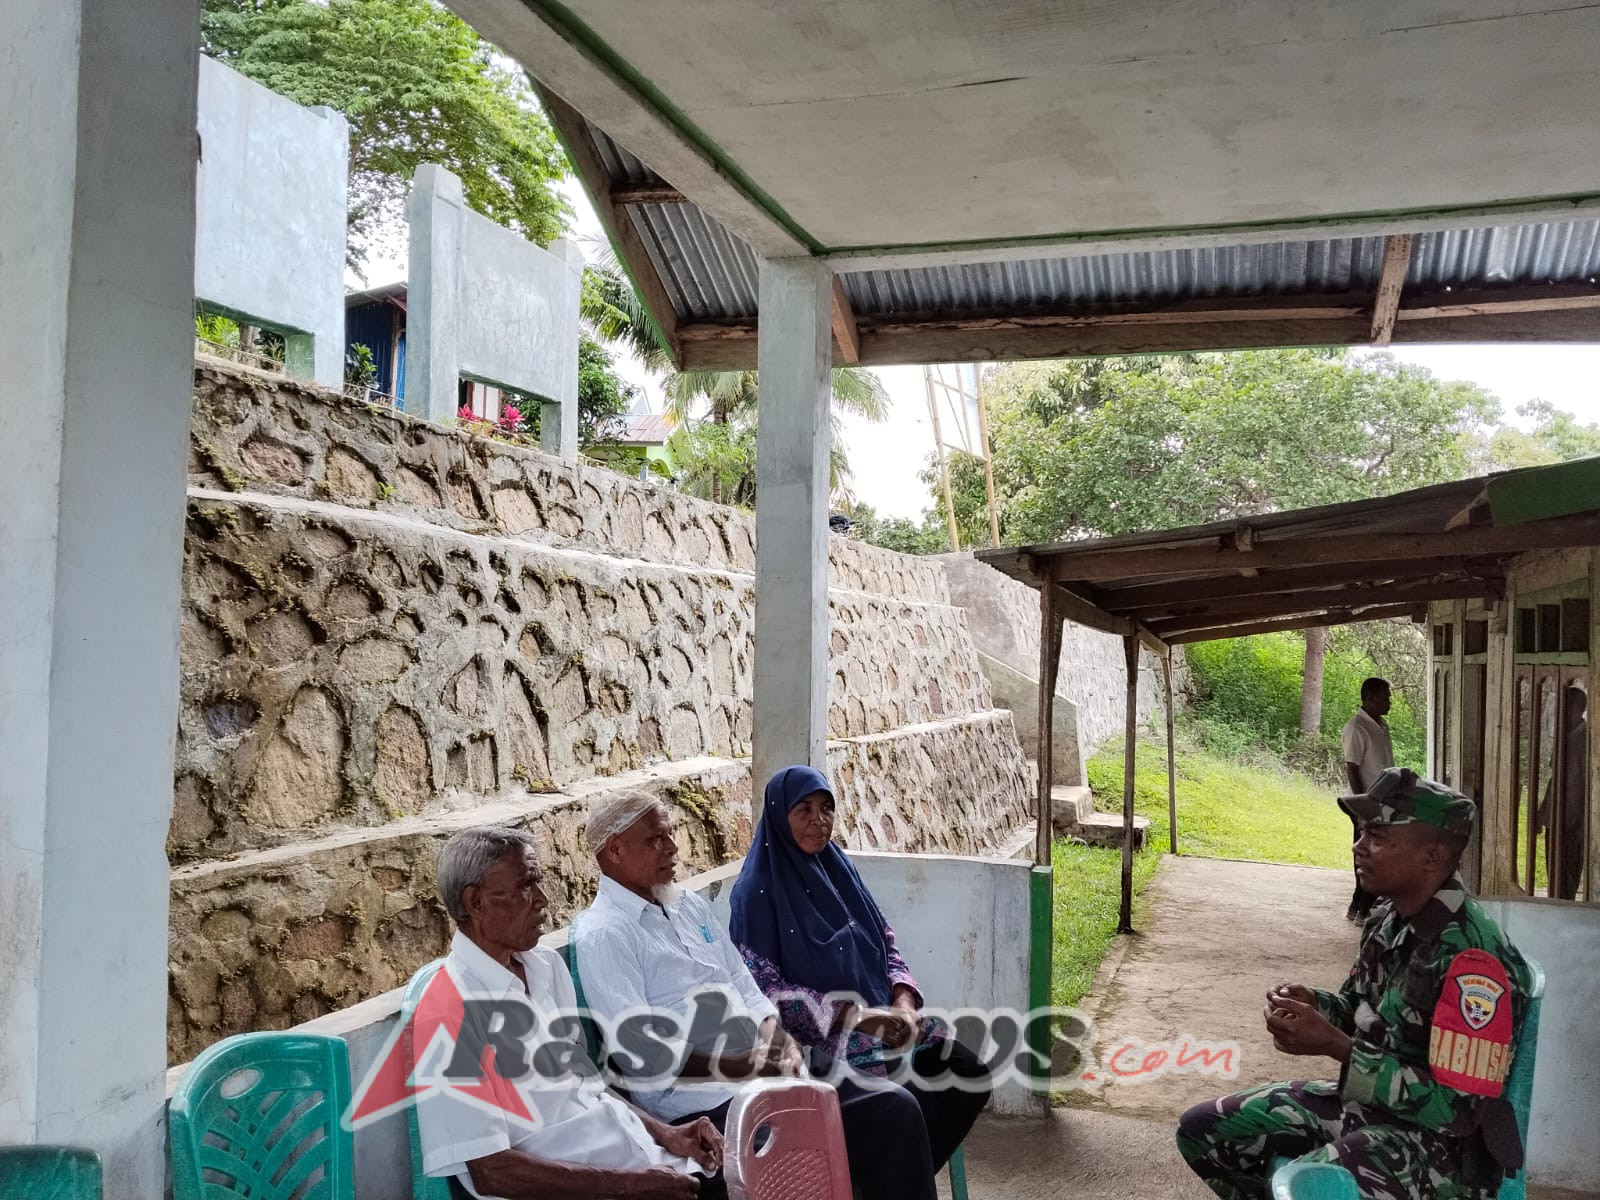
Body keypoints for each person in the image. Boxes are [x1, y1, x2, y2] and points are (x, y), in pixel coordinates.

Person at [1176, 768, 1532, 1200]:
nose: (1358, 847)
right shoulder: (1388, 917)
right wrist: (1316, 1006)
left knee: (1301, 1187)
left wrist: (1337, 1046)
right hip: (1375, 1111)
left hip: (1444, 1153)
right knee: (1204, 1130)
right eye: (1361, 832)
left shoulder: (1473, 961)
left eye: (1377, 836)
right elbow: (1361, 1010)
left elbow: (1455, 1111)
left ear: (1433, 855)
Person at [574, 790, 941, 1200]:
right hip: (705, 1095)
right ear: (615, 850)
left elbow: (741, 980)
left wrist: (777, 1036)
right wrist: (746, 1065)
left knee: (896, 1109)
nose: (673, 847)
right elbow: (644, 1052)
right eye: (656, 839)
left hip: (767, 1066)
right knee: (802, 1146)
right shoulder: (605, 934)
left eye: (671, 834)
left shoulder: (686, 906)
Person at [415, 826, 723, 1200]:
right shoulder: (449, 1008)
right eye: (526, 886)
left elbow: (586, 1084)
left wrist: (668, 1133)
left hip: (632, 1160)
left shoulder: (545, 968)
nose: (542, 899)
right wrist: (627, 1186)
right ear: (476, 902)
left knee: (756, 1165)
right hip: (583, 1187)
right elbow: (491, 1171)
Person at [729, 764, 992, 1173]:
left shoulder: (839, 869)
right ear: (780, 816)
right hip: (823, 1039)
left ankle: (896, 1182)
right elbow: (768, 993)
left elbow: (884, 942)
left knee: (968, 1076)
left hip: (888, 1018)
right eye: (804, 811)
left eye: (827, 808)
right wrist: (861, 1019)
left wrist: (903, 1002)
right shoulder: (756, 892)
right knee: (910, 1109)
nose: (819, 821)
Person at [1341, 677, 1395, 922]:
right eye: (1385, 697)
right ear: (1370, 698)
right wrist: (1361, 806)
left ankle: (1359, 905)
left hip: (1383, 800)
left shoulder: (1381, 726)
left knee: (1378, 854)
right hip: (1367, 802)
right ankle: (1364, 909)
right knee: (1366, 855)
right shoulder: (1356, 728)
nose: (1389, 702)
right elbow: (1352, 768)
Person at [1536, 684, 1587, 900]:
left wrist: (1581, 820)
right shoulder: (1566, 736)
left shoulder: (1587, 739)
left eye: (1565, 706)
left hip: (1573, 820)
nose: (1560, 712)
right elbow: (1555, 780)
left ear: (1577, 709)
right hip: (1557, 817)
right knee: (1555, 872)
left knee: (1568, 872)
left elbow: (1588, 783)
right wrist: (1543, 813)